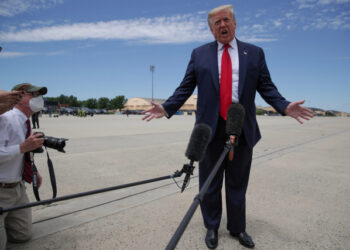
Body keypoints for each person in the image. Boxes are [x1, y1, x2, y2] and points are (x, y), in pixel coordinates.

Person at [142, 5, 313, 249]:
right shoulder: (199, 54)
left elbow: (267, 87)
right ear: (211, 29)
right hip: (210, 127)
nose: (222, 25)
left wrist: (284, 106)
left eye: (226, 20)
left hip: (240, 124)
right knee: (209, 181)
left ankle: (237, 228)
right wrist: (167, 107)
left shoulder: (254, 53)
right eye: (216, 23)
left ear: (235, 23)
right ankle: (211, 226)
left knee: (237, 182)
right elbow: (186, 86)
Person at [0, 83, 47, 249]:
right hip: (1, 189)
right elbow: (20, 149)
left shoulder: (24, 122)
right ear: (18, 98)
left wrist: (33, 170)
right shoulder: (4, 118)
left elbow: (22, 155)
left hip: (18, 187)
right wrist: (22, 148)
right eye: (32, 95)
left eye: (39, 95)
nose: (38, 99)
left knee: (23, 236)